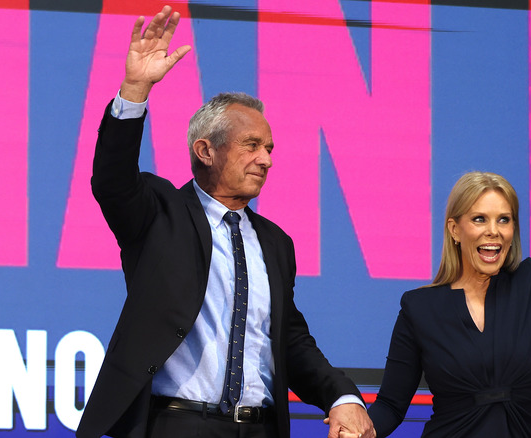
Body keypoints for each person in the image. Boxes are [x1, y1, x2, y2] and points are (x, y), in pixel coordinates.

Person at [75, 6, 375, 438]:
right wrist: (135, 89)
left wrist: (341, 396)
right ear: (206, 150)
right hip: (175, 424)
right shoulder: (158, 214)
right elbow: (111, 179)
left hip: (260, 428)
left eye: (269, 148)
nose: (266, 159)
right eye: (251, 145)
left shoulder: (275, 243)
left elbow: (288, 340)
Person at [361, 68, 531, 437]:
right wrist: (356, 428)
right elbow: (392, 406)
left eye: (504, 220)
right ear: (455, 229)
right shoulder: (419, 308)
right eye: (479, 219)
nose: (494, 231)